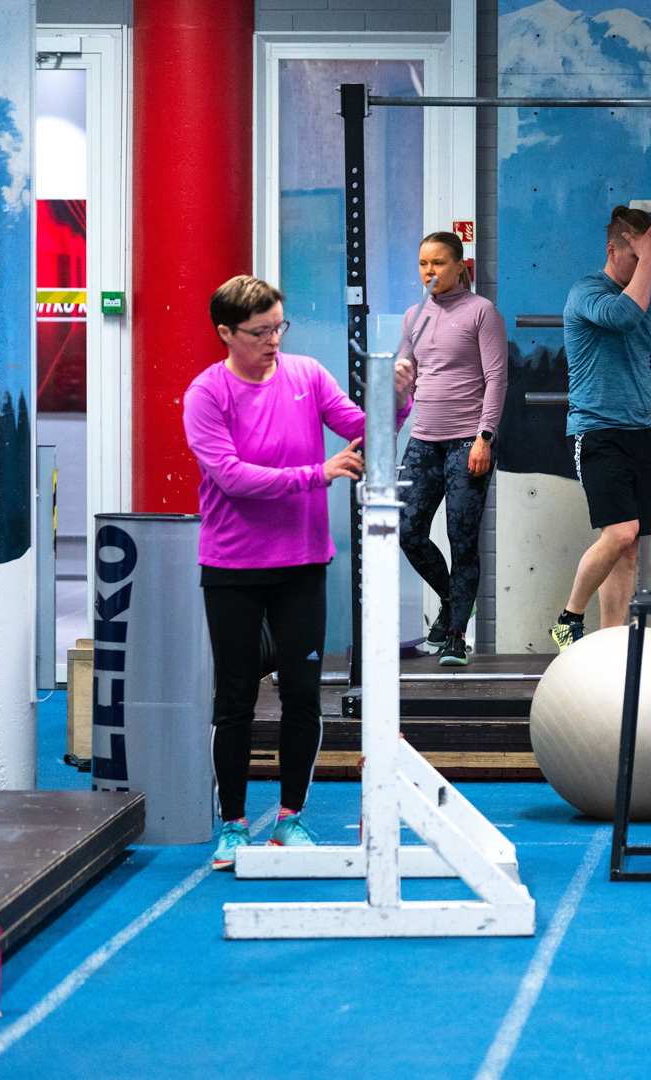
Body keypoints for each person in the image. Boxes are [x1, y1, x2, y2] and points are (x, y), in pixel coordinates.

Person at [183, 275, 412, 871]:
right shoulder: (206, 393)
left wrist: (396, 401)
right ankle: (233, 826)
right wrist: (317, 474)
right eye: (260, 332)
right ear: (225, 333)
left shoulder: (307, 375)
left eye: (279, 327)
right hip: (232, 565)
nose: (273, 340)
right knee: (235, 698)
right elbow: (231, 476)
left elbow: (364, 432)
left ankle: (290, 819)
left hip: (303, 564)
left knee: (303, 696)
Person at [551, 206, 651, 650]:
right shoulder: (587, 292)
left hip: (639, 433)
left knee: (628, 546)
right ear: (612, 250)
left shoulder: (650, 306)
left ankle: (612, 643)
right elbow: (621, 316)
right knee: (620, 532)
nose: (644, 267)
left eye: (648, 260)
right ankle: (569, 618)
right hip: (597, 432)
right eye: (637, 257)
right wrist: (649, 259)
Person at [396, 230, 507, 666]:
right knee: (407, 530)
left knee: (461, 540)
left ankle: (457, 635)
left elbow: (496, 378)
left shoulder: (482, 312)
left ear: (460, 266)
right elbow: (407, 376)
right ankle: (451, 599)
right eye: (424, 263)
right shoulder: (414, 316)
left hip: (469, 442)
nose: (430, 271)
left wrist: (485, 436)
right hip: (424, 440)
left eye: (439, 263)